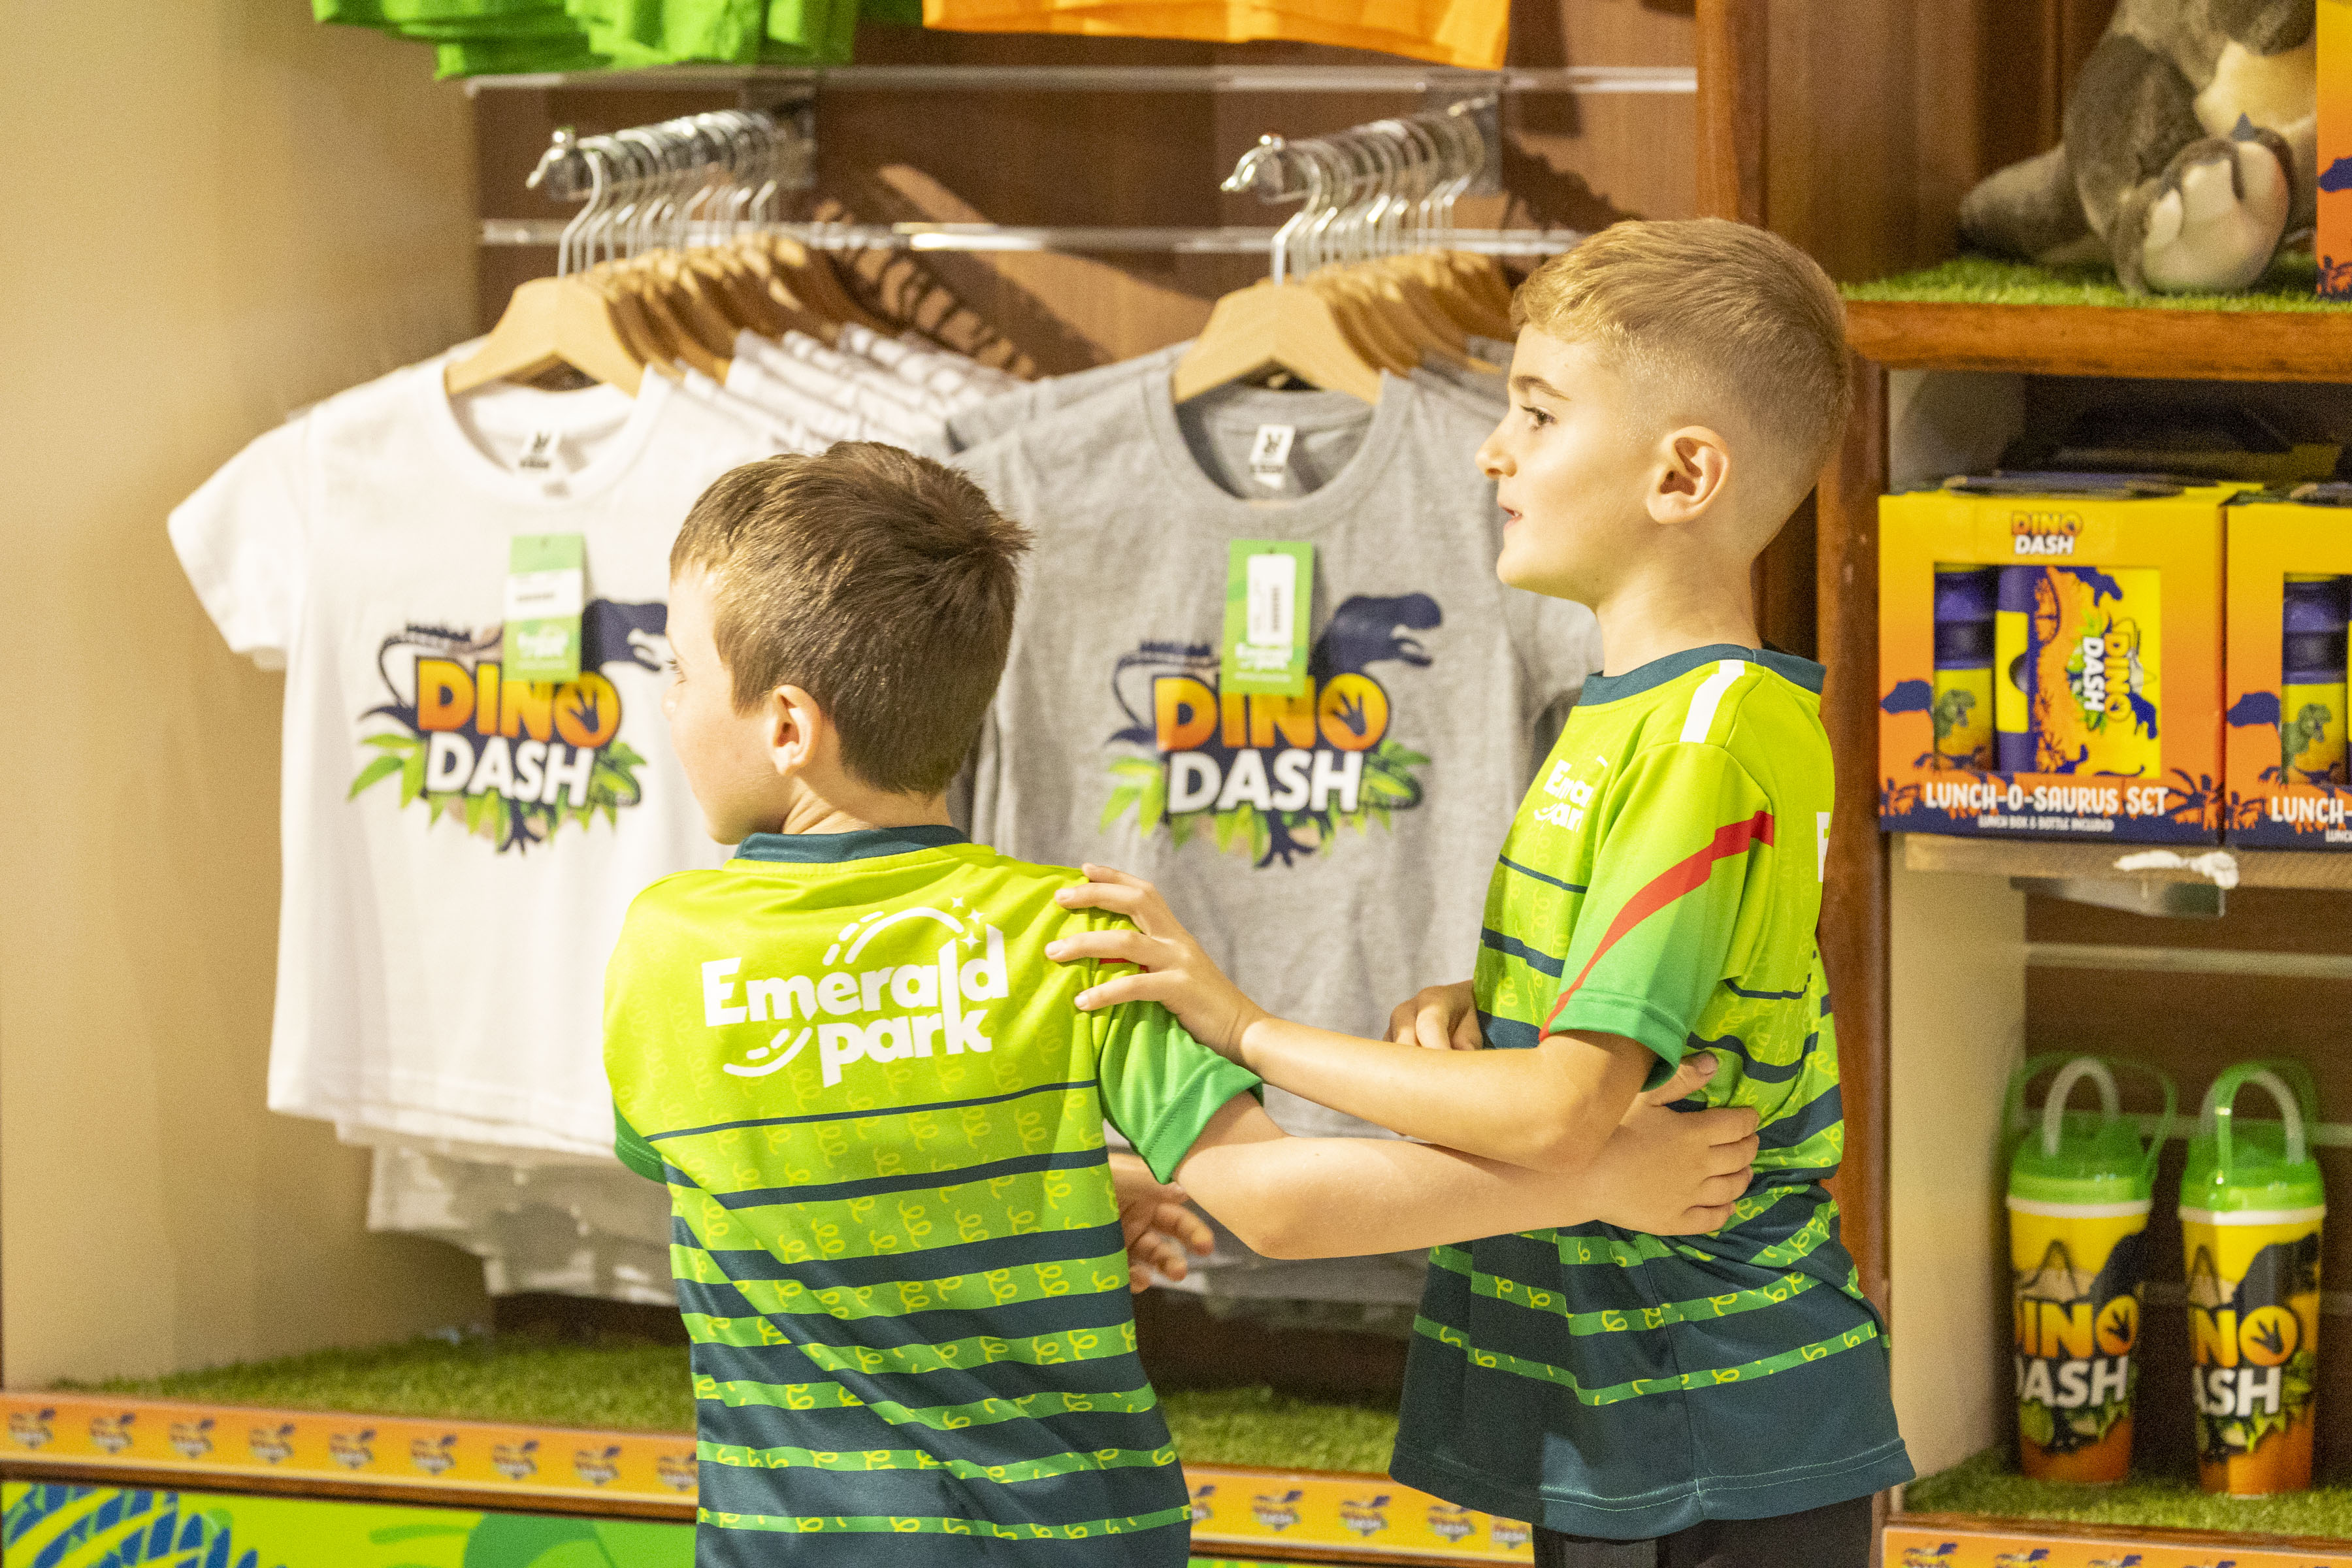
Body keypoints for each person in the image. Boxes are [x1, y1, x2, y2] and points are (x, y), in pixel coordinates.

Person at [600, 442, 1765, 1567]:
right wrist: (1599, 1177)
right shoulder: (1074, 934)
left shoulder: (664, 951)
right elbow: (1284, 1206)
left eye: (681, 675)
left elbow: (784, 1180)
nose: (668, 706)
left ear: (792, 727)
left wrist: (1036, 1187)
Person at [1049, 219, 1913, 1568]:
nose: (1490, 448)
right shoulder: (1631, 717)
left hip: (1719, 1435)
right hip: (1633, 1423)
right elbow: (1636, 1040)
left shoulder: (1711, 739)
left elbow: (1568, 1116)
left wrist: (1245, 1027)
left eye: (1538, 412)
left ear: (1684, 474)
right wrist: (1482, 1007)